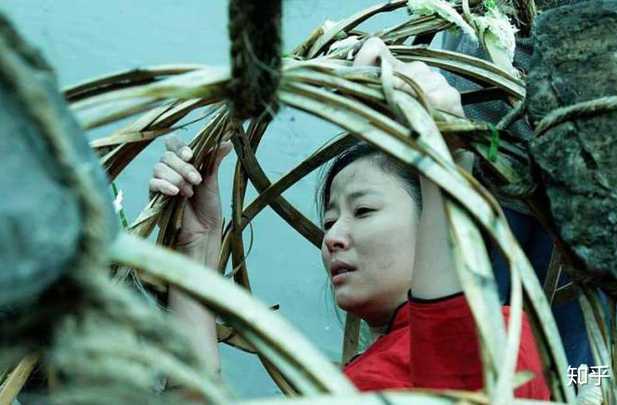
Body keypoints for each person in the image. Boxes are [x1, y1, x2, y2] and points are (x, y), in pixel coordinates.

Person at [149, 38, 549, 399]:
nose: (333, 238)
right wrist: (199, 241)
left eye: (363, 210)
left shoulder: (499, 337)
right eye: (328, 222)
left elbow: (454, 369)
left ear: (431, 216)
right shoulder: (354, 380)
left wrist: (444, 158)